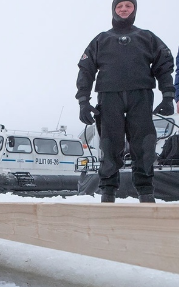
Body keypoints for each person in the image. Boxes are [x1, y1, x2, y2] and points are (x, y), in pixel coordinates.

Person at [75, 0, 176, 203]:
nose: (123, 9)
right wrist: (83, 101)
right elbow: (86, 70)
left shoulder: (147, 37)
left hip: (141, 95)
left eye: (128, 6)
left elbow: (165, 65)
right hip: (109, 96)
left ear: (134, 10)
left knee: (144, 144)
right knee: (109, 144)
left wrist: (168, 96)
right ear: (113, 9)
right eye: (119, 6)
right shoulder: (101, 39)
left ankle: (146, 192)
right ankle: (108, 192)